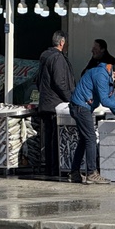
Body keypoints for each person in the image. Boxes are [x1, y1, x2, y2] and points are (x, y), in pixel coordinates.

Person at [69, 61, 115, 184]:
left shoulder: (112, 80)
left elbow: (111, 98)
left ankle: (74, 173)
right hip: (80, 106)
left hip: (83, 107)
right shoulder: (101, 75)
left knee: (84, 139)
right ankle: (92, 173)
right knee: (91, 138)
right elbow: (104, 100)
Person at [36, 30, 75, 179]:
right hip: (56, 105)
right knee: (56, 138)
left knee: (49, 136)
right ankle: (56, 167)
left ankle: (50, 168)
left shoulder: (45, 57)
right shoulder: (57, 58)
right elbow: (60, 82)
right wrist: (71, 98)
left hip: (46, 103)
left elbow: (39, 80)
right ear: (62, 43)